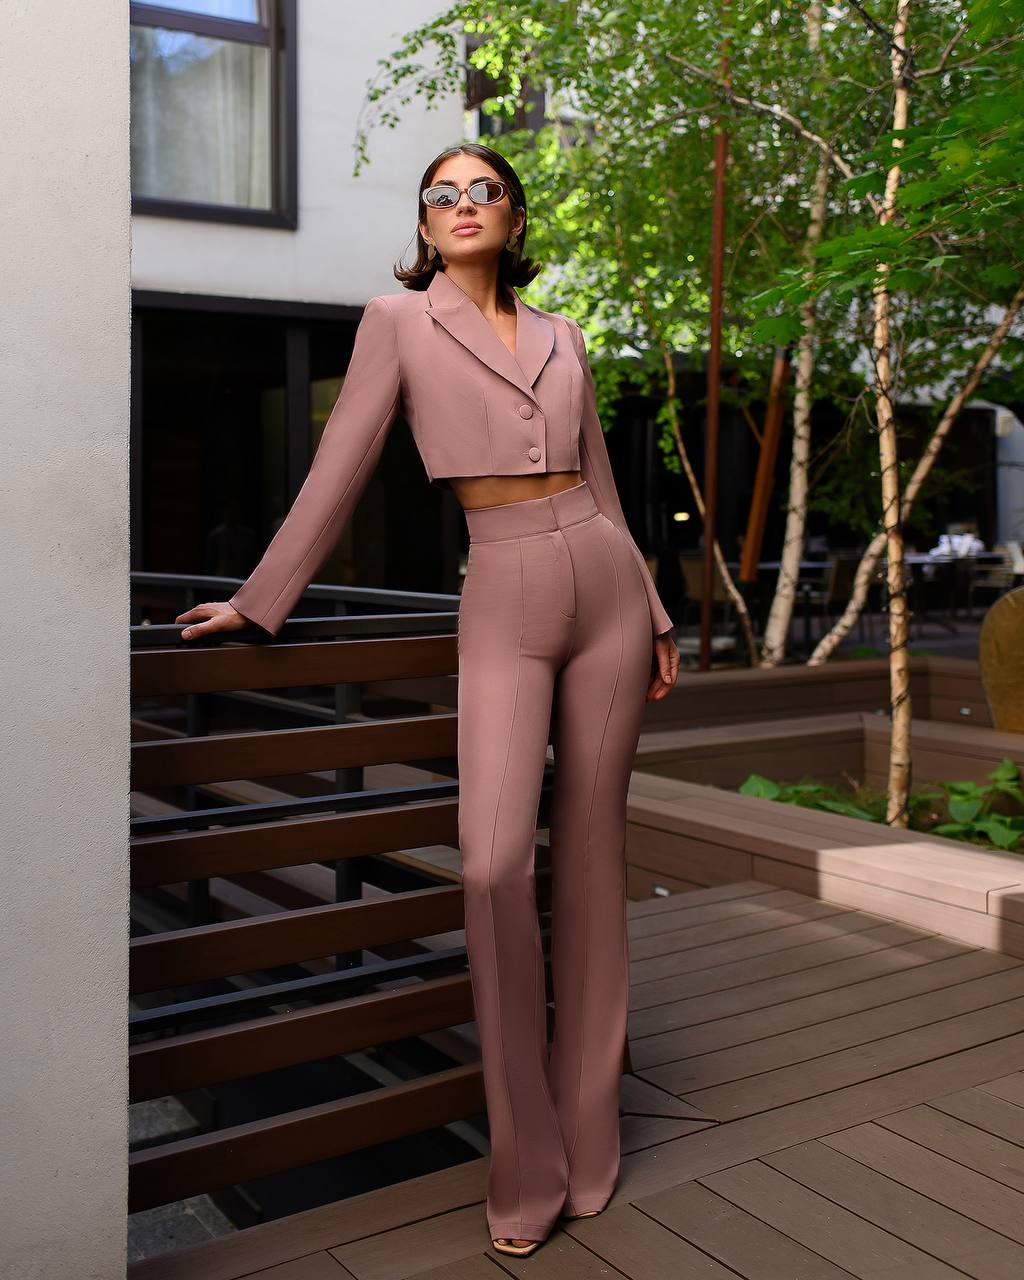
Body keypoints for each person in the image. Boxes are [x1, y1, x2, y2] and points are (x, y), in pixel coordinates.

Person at [176, 142, 679, 1257]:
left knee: (593, 856)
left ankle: (593, 1140)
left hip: (603, 577)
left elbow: (599, 475)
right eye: (441, 194)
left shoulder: (564, 334)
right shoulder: (395, 322)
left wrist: (649, 603)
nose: (461, 205)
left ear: (512, 213)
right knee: (496, 863)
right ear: (424, 221)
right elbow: (339, 463)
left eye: (481, 191)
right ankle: (529, 1160)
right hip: (500, 583)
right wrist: (261, 601)